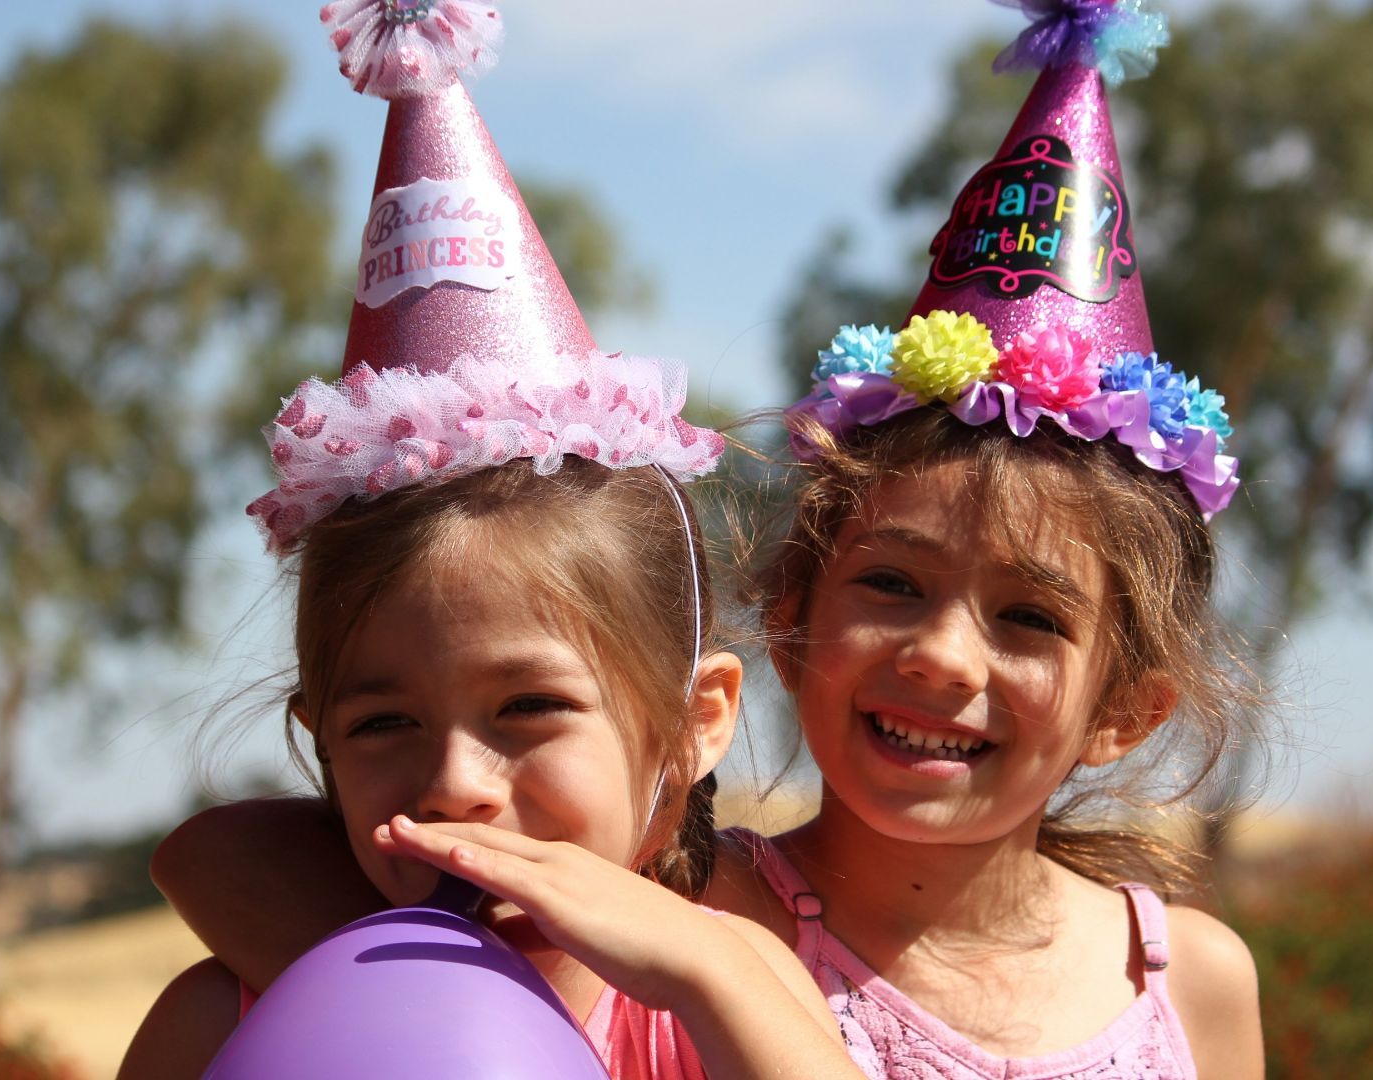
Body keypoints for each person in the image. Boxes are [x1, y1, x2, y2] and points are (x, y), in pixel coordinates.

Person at [149, 1, 1267, 1076]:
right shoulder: (693, 917)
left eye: (1030, 615)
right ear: (790, 616)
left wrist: (708, 970)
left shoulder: (700, 951)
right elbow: (229, 854)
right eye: (889, 583)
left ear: (1129, 706)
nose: (941, 655)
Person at [120, 3, 864, 1077]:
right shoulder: (224, 1021)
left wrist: (716, 977)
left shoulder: (723, 1011)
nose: (454, 783)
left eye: (528, 706)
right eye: (381, 723)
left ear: (696, 722)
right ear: (316, 740)